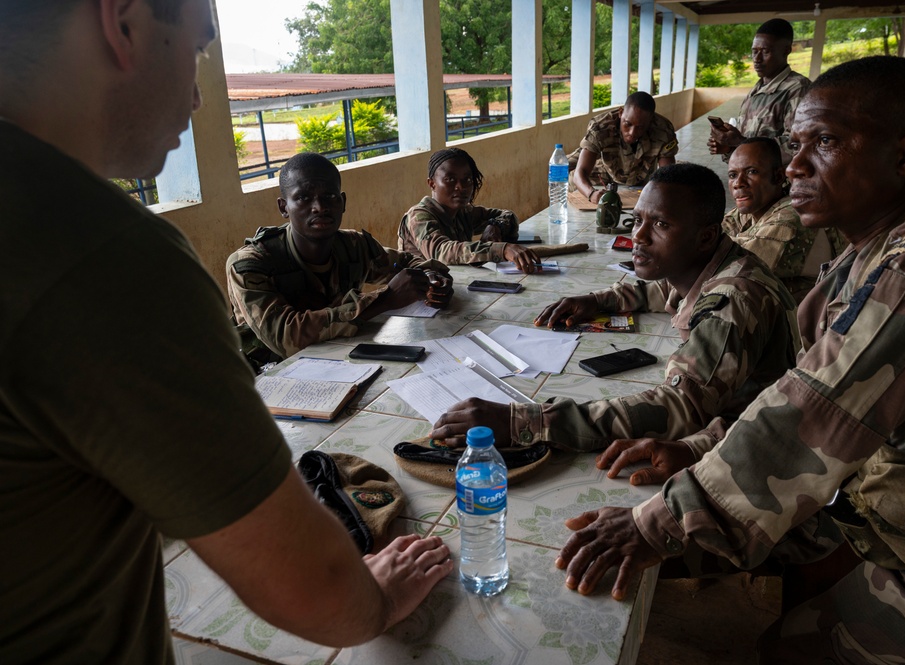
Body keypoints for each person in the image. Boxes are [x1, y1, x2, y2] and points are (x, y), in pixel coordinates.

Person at [0, 1, 452, 663]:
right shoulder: (101, 254)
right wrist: (373, 601)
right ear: (125, 23)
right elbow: (307, 579)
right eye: (198, 47)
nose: (196, 95)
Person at [556, 56, 905, 662]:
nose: (794, 166)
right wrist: (700, 447)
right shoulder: (873, 248)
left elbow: (815, 413)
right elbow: (806, 382)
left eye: (826, 142)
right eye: (796, 143)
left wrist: (654, 524)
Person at [430, 164, 799, 465]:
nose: (639, 236)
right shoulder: (710, 263)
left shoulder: (732, 301)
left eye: (661, 225)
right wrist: (600, 300)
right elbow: (665, 289)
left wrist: (528, 422)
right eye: (637, 220)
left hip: (755, 449)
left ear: (705, 237)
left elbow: (681, 407)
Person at [228, 152, 455, 364]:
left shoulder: (353, 246)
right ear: (283, 207)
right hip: (270, 373)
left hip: (341, 360)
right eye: (304, 198)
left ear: (343, 202)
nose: (319, 207)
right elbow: (286, 337)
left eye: (330, 196)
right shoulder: (251, 264)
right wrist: (384, 299)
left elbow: (405, 263)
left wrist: (430, 279)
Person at [723, 137, 846, 302]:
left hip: (820, 310)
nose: (738, 183)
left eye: (752, 172)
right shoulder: (754, 207)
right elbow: (713, 236)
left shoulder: (793, 216)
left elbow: (724, 265)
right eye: (732, 175)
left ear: (778, 176)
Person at [398, 147, 540, 274]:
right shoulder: (418, 216)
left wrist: (495, 225)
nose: (461, 187)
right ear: (432, 184)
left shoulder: (463, 212)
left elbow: (509, 216)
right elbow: (441, 251)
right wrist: (501, 250)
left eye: (467, 180)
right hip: (423, 291)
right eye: (450, 179)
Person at [708, 19, 810, 165]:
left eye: (765, 51)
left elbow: (798, 146)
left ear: (786, 50)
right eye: (754, 51)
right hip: (752, 175)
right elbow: (746, 140)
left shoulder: (799, 89)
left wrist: (740, 142)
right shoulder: (756, 90)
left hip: (778, 178)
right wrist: (728, 147)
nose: (757, 59)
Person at [570, 91, 679, 205]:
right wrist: (591, 194)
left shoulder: (663, 131)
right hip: (602, 164)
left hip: (637, 172)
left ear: (651, 120)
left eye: (640, 127)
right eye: (627, 124)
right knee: (564, 167)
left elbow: (667, 176)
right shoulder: (600, 127)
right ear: (621, 113)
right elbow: (580, 173)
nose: (632, 132)